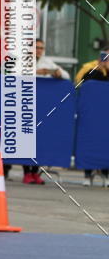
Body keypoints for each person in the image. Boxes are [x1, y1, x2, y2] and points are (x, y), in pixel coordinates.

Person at [23, 38, 70, 185]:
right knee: (25, 139)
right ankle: (26, 173)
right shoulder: (21, 60)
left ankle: (35, 172)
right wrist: (37, 72)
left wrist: (57, 73)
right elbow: (12, 73)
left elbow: (66, 75)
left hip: (42, 105)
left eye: (41, 48)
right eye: (36, 47)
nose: (39, 50)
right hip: (25, 103)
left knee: (40, 139)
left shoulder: (47, 62)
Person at [75, 43, 109, 186]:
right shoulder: (89, 67)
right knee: (90, 141)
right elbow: (81, 81)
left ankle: (106, 175)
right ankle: (87, 174)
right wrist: (99, 69)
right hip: (91, 114)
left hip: (106, 114)